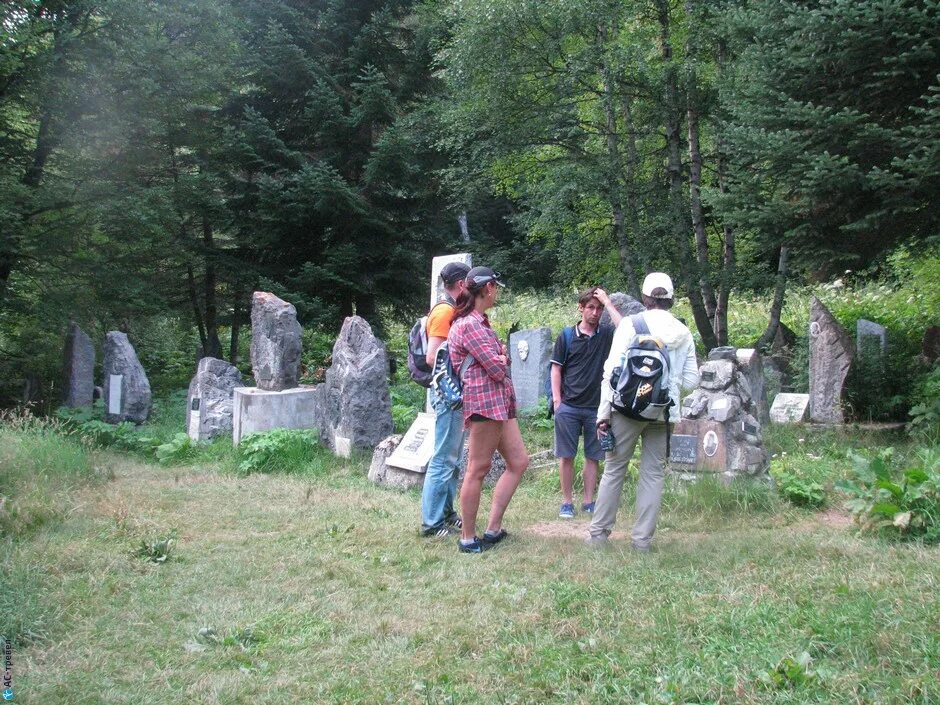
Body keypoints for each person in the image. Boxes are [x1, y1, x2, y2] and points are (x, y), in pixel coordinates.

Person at [587, 272, 699, 552]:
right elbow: (691, 380)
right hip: (663, 411)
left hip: (627, 409)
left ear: (646, 297)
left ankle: (599, 535)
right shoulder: (683, 332)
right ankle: (642, 541)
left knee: (614, 469)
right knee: (653, 474)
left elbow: (611, 371)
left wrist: (603, 413)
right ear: (671, 299)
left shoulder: (631, 324)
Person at [448, 266, 529, 553]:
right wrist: (502, 358)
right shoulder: (470, 325)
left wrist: (501, 357)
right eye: (496, 288)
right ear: (488, 288)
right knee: (477, 469)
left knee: (518, 461)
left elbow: (499, 360)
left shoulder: (480, 322)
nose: (497, 293)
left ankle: (493, 529)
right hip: (484, 403)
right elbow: (497, 368)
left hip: (499, 403)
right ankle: (468, 538)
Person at [551, 287, 623, 519]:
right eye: (590, 307)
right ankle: (566, 502)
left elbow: (626, 329)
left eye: (599, 308)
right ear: (581, 308)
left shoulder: (607, 335)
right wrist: (557, 400)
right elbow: (556, 368)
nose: (595, 312)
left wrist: (608, 303)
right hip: (569, 406)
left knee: (593, 456)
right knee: (567, 456)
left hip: (596, 408)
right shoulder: (566, 335)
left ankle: (589, 501)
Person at [420, 261, 471, 537]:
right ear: (462, 284)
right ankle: (432, 523)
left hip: (455, 396)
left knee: (453, 459)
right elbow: (433, 357)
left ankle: (446, 513)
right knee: (442, 459)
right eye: (470, 283)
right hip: (447, 395)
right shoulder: (444, 312)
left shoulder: (452, 311)